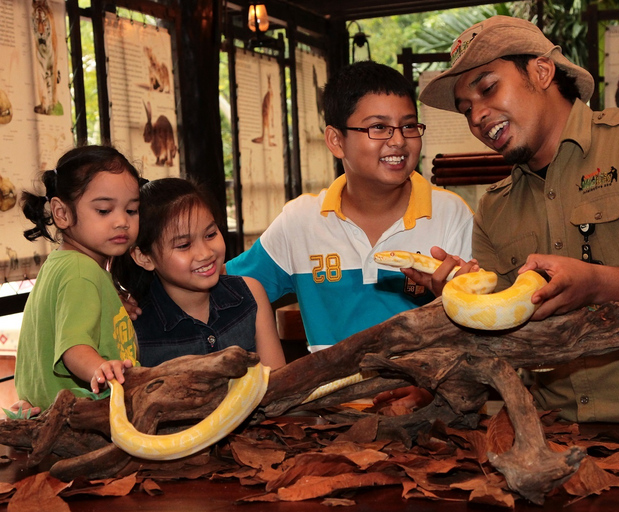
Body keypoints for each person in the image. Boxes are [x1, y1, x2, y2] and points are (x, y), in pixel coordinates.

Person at [415, 15, 619, 424]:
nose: (477, 117)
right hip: (559, 439)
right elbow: (507, 335)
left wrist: (598, 285)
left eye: (488, 89)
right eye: (465, 109)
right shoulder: (495, 207)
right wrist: (455, 298)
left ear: (542, 71)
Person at [225, 61, 475, 407]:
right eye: (379, 128)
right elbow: (229, 290)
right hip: (328, 417)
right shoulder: (301, 222)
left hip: (425, 411)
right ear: (335, 140)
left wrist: (453, 300)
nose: (399, 141)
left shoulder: (451, 215)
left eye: (408, 126)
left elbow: (479, 328)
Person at [13, 145, 141, 414]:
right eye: (104, 210)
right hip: (79, 418)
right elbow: (74, 347)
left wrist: (110, 305)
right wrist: (100, 369)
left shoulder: (64, 264)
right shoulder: (81, 272)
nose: (122, 221)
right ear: (62, 213)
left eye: (131, 210)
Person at [113, 178, 285, 370]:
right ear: (144, 257)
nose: (206, 253)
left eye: (210, 234)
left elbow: (278, 386)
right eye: (184, 245)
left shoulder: (250, 294)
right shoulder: (135, 327)